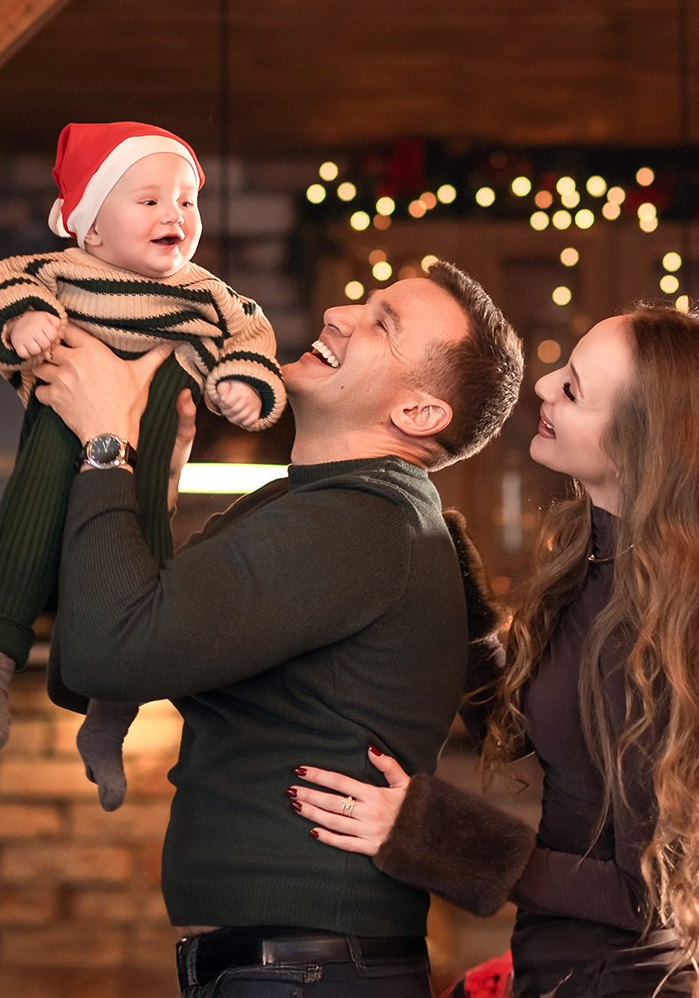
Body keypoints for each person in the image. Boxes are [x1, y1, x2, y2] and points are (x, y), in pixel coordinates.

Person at [289, 305, 699, 998]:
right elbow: (522, 730)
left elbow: (650, 893)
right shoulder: (601, 569)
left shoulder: (668, 628)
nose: (543, 385)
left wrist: (431, 834)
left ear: (643, 446)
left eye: (573, 389)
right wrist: (441, 574)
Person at [33, 262, 524, 996]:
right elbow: (87, 654)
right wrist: (142, 481)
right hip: (291, 968)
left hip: (306, 972)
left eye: (382, 323)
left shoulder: (359, 524)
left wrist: (108, 439)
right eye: (365, 300)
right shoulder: (301, 506)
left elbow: (110, 653)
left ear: (420, 414)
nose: (338, 311)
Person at [0, 121, 286, 809]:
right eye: (149, 200)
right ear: (90, 227)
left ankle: (109, 721)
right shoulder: (57, 272)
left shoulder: (205, 294)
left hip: (148, 457)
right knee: (27, 528)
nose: (175, 214)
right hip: (59, 426)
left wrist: (245, 385)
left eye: (187, 201)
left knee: (137, 571)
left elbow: (251, 331)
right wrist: (23, 325)